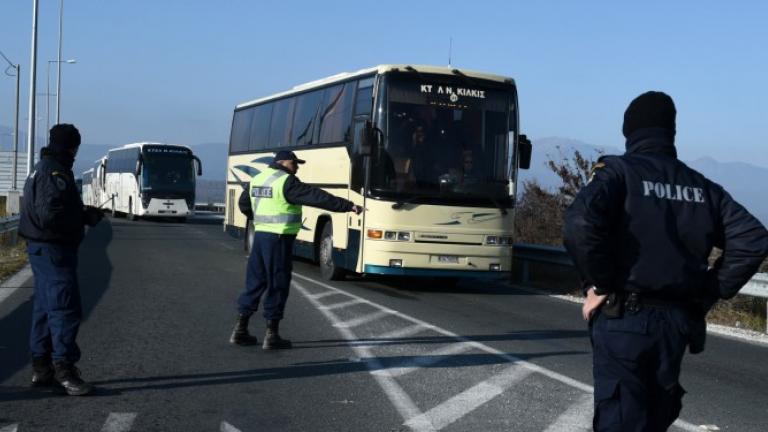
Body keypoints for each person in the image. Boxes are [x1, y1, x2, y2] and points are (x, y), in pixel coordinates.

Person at [564, 91, 768, 431]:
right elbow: (753, 239)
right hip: (676, 324)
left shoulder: (619, 173)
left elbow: (579, 223)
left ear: (630, 131)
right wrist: (705, 295)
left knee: (622, 420)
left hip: (624, 319)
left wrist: (601, 282)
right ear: (671, 132)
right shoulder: (700, 186)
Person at [230, 150, 363, 349]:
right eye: (295, 163)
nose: (297, 167)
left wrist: (259, 218)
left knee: (255, 282)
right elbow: (317, 197)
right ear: (283, 162)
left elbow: (243, 204)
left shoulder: (257, 179)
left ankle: (240, 330)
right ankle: (271, 335)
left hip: (260, 237)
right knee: (278, 282)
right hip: (279, 239)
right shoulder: (286, 182)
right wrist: (348, 206)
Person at [18, 124, 104, 396]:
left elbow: (53, 209)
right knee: (64, 309)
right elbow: (50, 215)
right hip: (54, 250)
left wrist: (80, 211)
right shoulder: (53, 172)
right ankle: (64, 370)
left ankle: (42, 370)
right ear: (72, 146)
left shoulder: (41, 168)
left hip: (43, 249)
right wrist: (82, 218)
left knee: (45, 309)